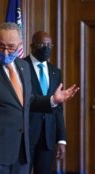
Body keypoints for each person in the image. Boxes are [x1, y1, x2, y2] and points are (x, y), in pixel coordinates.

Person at [0, 22, 79, 174]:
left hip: (20, 153)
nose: (5, 52)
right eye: (0, 46)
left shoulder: (23, 67)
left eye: (11, 47)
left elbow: (27, 101)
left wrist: (53, 100)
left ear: (20, 45)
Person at [24, 31, 66, 174]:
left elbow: (58, 108)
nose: (46, 48)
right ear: (31, 45)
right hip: (25, 134)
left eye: (49, 45)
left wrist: (61, 140)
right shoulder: (21, 67)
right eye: (41, 44)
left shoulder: (55, 71)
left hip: (48, 136)